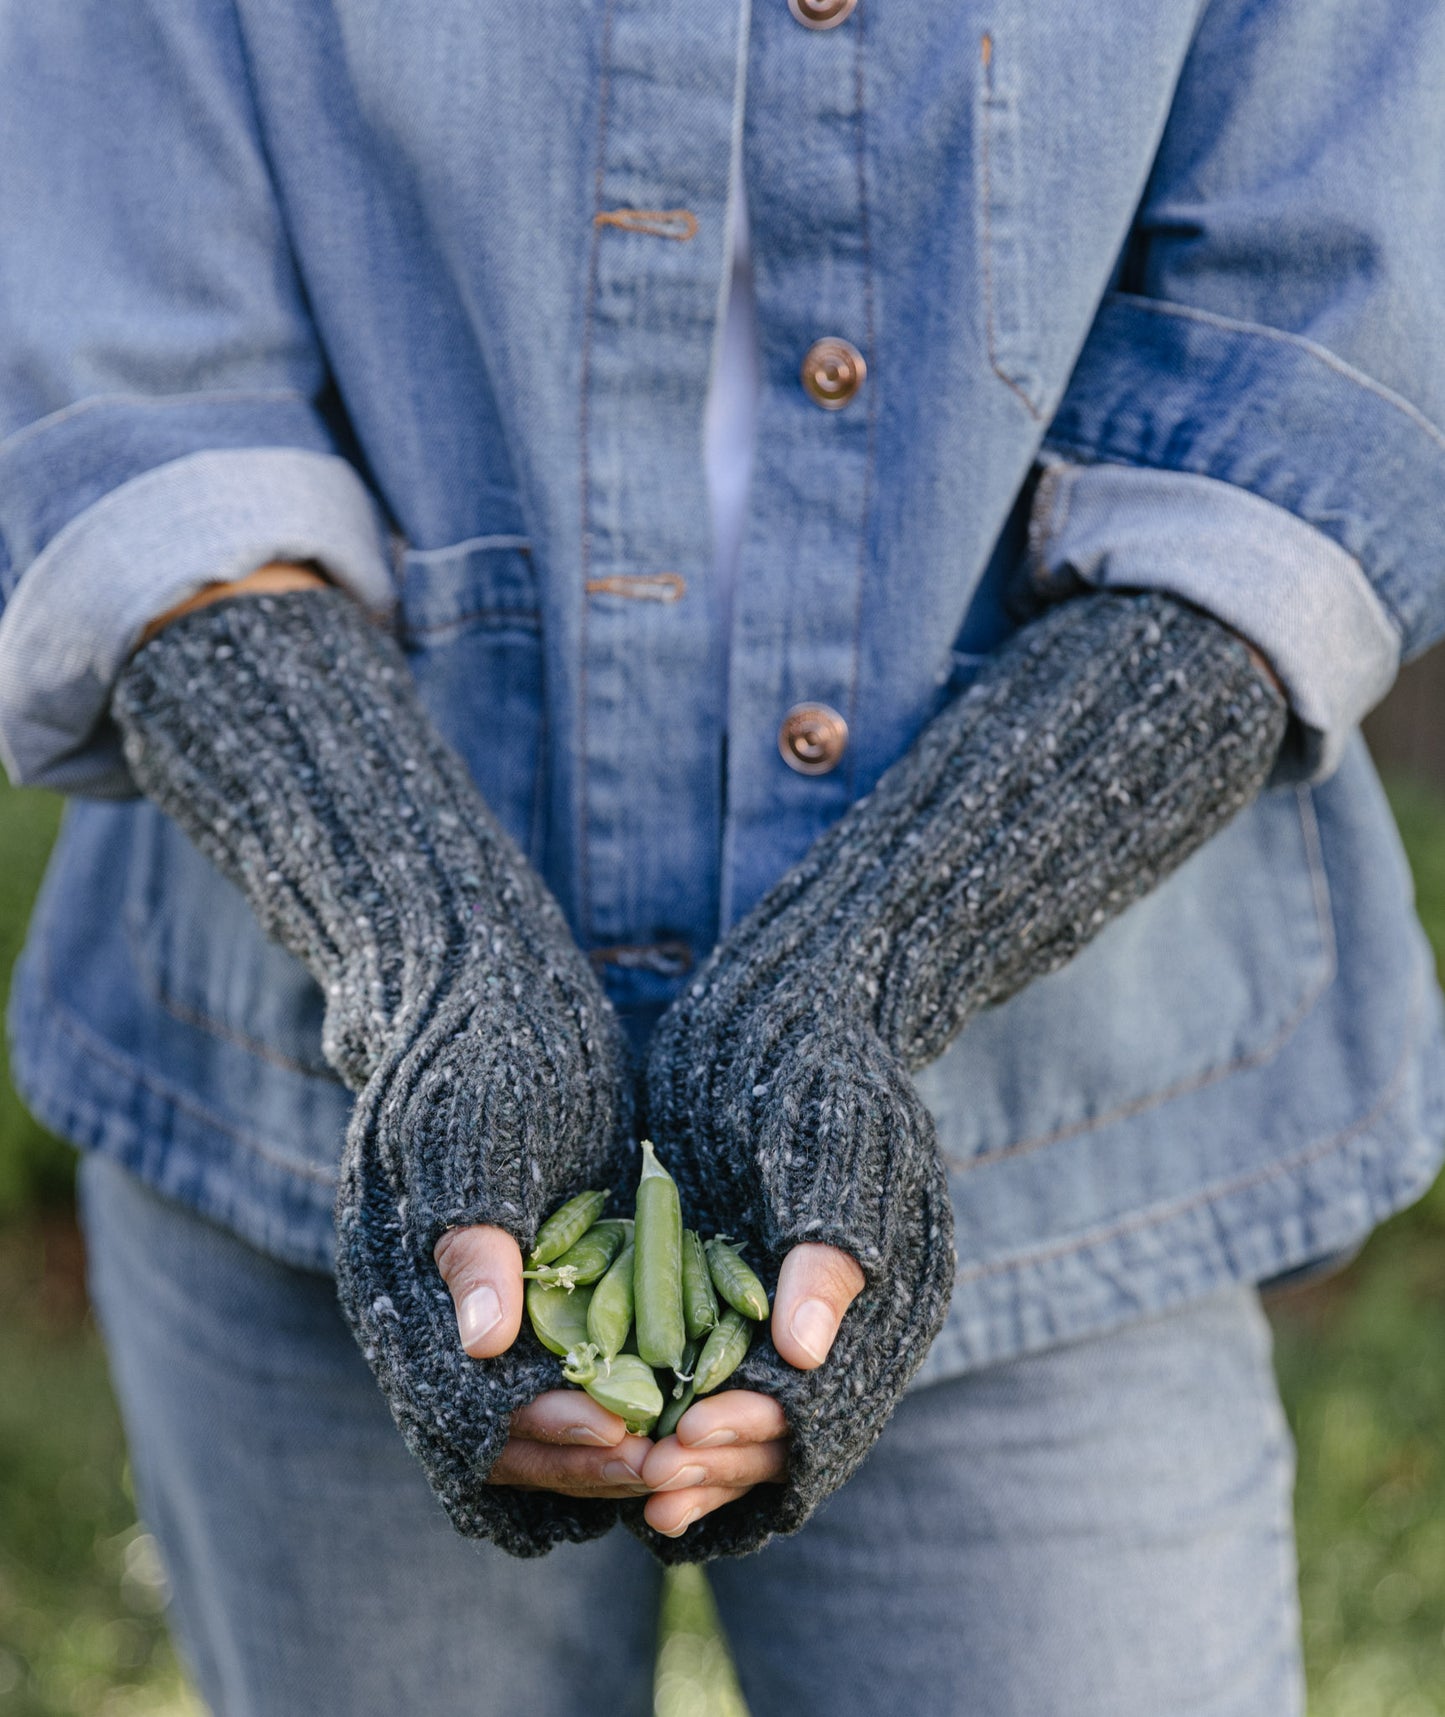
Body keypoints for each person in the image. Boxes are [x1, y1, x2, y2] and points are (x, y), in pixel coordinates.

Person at [2, 1, 1443, 1712]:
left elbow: (1321, 374)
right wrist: (426, 942)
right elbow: (126, 368)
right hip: (299, 1073)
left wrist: (875, 957)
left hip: (1058, 1124)